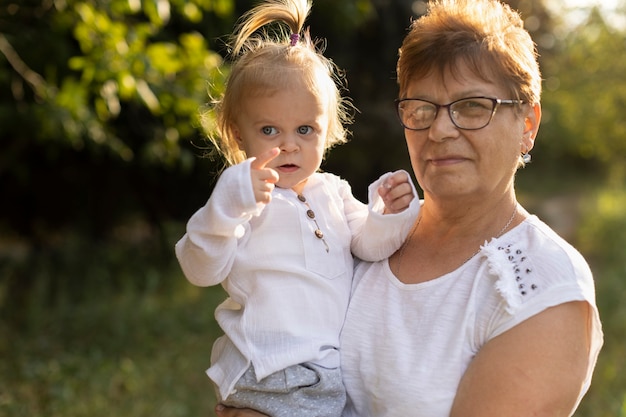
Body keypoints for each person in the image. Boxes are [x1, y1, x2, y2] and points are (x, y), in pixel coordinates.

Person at [215, 0, 603, 416]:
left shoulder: (543, 288)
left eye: (472, 106)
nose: (439, 129)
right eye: (421, 108)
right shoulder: (361, 232)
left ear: (527, 124)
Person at [174, 0, 420, 416]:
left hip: (329, 377)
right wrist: (227, 208)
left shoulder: (335, 191)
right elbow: (200, 269)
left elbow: (369, 245)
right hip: (266, 375)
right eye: (270, 130)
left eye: (305, 129)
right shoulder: (243, 199)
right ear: (238, 134)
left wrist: (392, 215)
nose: (289, 144)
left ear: (328, 130)